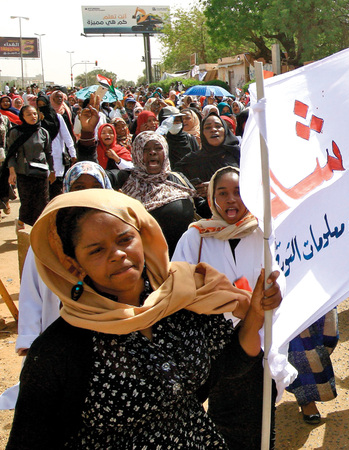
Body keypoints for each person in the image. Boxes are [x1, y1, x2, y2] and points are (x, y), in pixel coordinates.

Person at [7, 189, 281, 448]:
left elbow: (228, 364)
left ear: (144, 237)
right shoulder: (60, 349)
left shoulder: (181, 302)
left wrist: (255, 314)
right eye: (96, 250)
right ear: (74, 265)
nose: (118, 254)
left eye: (125, 239)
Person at [173, 166, 282, 449]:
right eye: (223, 193)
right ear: (212, 200)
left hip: (260, 340)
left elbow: (281, 279)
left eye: (239, 192)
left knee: (262, 413)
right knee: (223, 416)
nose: (231, 199)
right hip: (215, 348)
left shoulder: (264, 234)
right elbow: (178, 288)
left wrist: (268, 299)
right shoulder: (195, 237)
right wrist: (228, 299)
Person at [0, 161, 114, 410]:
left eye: (95, 185)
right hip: (58, 330)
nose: (86, 192)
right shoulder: (47, 234)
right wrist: (30, 338)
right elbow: (32, 291)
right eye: (78, 186)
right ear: (65, 190)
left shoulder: (119, 229)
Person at [120, 132, 198, 256]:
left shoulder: (177, 179)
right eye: (146, 149)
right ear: (137, 153)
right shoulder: (124, 180)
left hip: (184, 260)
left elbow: (202, 208)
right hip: (146, 265)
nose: (152, 152)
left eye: (158, 148)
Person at [6, 105, 54, 227]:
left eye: (34, 114)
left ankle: (39, 231)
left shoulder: (43, 132)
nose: (33, 117)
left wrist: (52, 171)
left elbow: (48, 153)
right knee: (27, 203)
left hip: (41, 173)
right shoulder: (15, 132)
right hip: (24, 173)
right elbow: (11, 154)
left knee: (43, 203)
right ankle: (21, 222)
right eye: (28, 114)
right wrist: (12, 172)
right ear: (22, 117)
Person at [175, 112, 241, 193]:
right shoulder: (192, 161)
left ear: (225, 130)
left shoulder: (238, 155)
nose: (213, 130)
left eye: (218, 126)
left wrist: (214, 187)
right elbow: (176, 182)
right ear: (202, 133)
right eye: (208, 127)